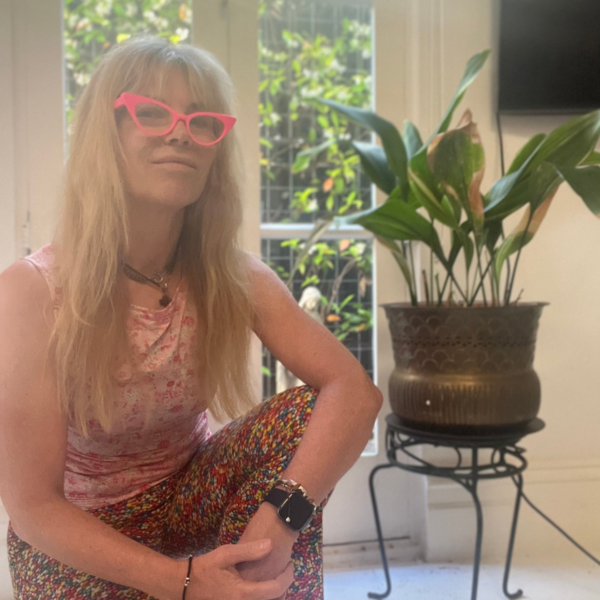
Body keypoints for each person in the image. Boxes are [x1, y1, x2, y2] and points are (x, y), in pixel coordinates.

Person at [0, 36, 382, 600]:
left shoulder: (234, 275)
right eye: (152, 113)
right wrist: (182, 583)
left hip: (190, 496)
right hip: (81, 529)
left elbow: (355, 392)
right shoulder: (31, 292)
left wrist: (277, 527)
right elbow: (33, 506)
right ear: (107, 133)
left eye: (202, 121)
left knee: (306, 415)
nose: (181, 133)